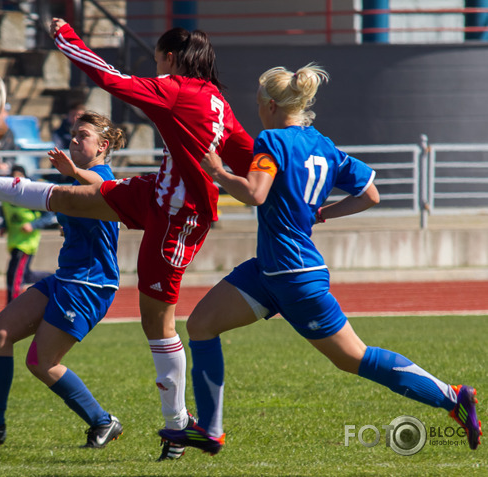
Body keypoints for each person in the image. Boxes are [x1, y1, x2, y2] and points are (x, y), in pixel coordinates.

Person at [0, 17, 255, 461]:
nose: (156, 69)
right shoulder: (215, 100)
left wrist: (65, 38)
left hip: (177, 216)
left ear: (169, 58)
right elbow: (248, 152)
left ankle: (178, 425)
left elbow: (111, 78)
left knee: (157, 324)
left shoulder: (177, 90)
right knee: (71, 198)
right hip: (158, 191)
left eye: (157, 61)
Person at [157, 64, 482, 455]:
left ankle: (454, 397)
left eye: (260, 104)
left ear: (272, 105)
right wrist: (323, 213)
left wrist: (218, 171)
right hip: (271, 270)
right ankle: (209, 432)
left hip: (294, 276)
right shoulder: (323, 145)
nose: (258, 111)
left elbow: (255, 194)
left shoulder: (271, 140)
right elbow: (371, 195)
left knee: (354, 358)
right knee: (202, 325)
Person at [0, 111, 126, 449]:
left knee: (41, 363)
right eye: (72, 133)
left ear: (103, 145)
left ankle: (104, 421)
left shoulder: (100, 176)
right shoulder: (77, 180)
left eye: (83, 135)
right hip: (66, 279)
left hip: (90, 286)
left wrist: (73, 172)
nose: (74, 139)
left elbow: (107, 191)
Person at [0, 165, 55, 304]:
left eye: (19, 177)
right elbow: (7, 216)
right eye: (13, 177)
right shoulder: (6, 196)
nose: (16, 180)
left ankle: (12, 306)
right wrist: (3, 227)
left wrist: (33, 225)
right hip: (13, 241)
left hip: (27, 243)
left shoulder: (31, 196)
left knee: (14, 276)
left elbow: (48, 216)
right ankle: (53, 278)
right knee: (25, 274)